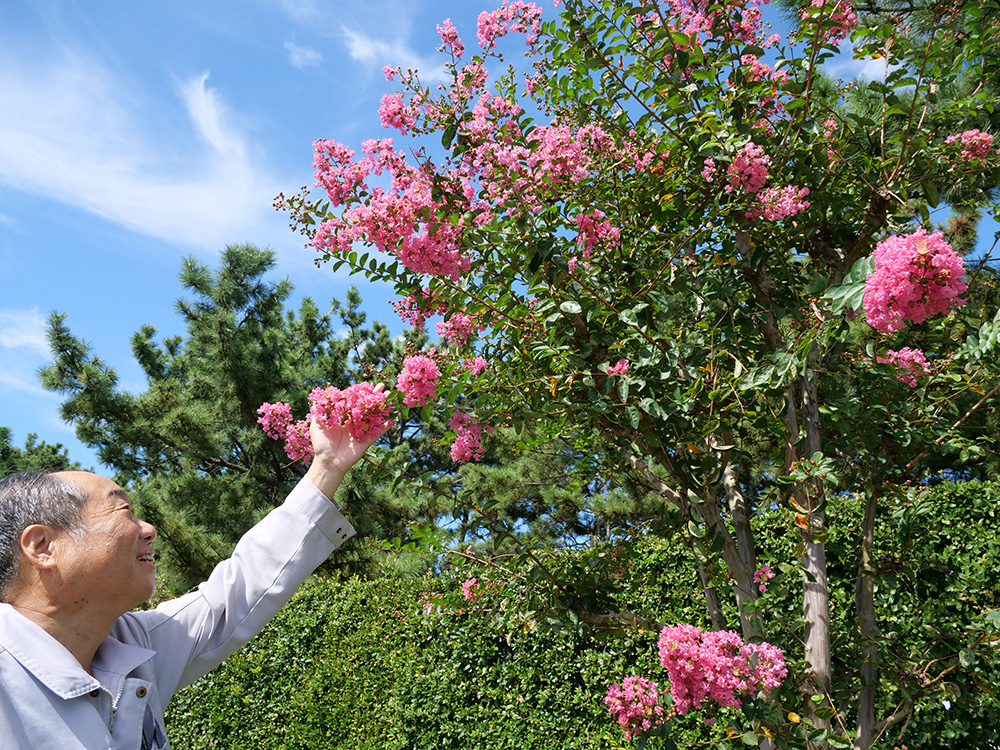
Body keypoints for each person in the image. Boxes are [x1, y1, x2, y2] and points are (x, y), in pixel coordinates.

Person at [0, 405, 389, 750]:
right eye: (123, 511)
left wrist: (326, 469)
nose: (148, 528)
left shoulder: (130, 647)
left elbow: (233, 594)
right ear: (42, 546)